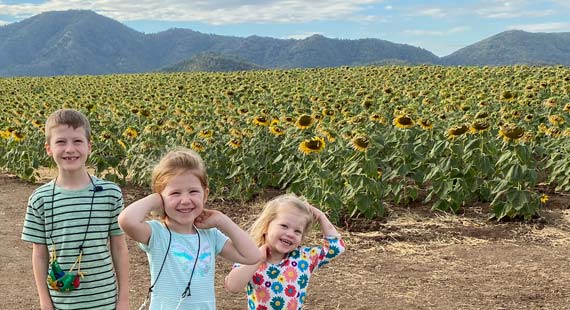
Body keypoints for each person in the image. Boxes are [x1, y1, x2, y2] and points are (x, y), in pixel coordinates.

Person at [118, 148, 260, 309]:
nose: (185, 200)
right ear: (160, 197)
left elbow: (252, 256)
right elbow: (126, 220)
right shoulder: (157, 233)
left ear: (205, 195)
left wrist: (222, 220)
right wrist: (156, 199)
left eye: (193, 191)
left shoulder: (210, 235)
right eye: (175, 193)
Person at [21, 108, 129, 310]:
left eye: (77, 141)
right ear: (49, 148)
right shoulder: (39, 199)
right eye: (61, 142)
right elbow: (40, 254)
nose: (70, 149)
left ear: (89, 147)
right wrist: (45, 302)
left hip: (104, 301)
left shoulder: (110, 193)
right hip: (60, 301)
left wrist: (123, 299)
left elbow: (119, 247)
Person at [225, 193, 346, 310]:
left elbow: (336, 247)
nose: (290, 234)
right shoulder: (251, 255)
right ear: (265, 226)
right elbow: (232, 286)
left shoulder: (304, 257)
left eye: (297, 231)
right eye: (284, 226)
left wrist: (320, 215)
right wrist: (257, 260)